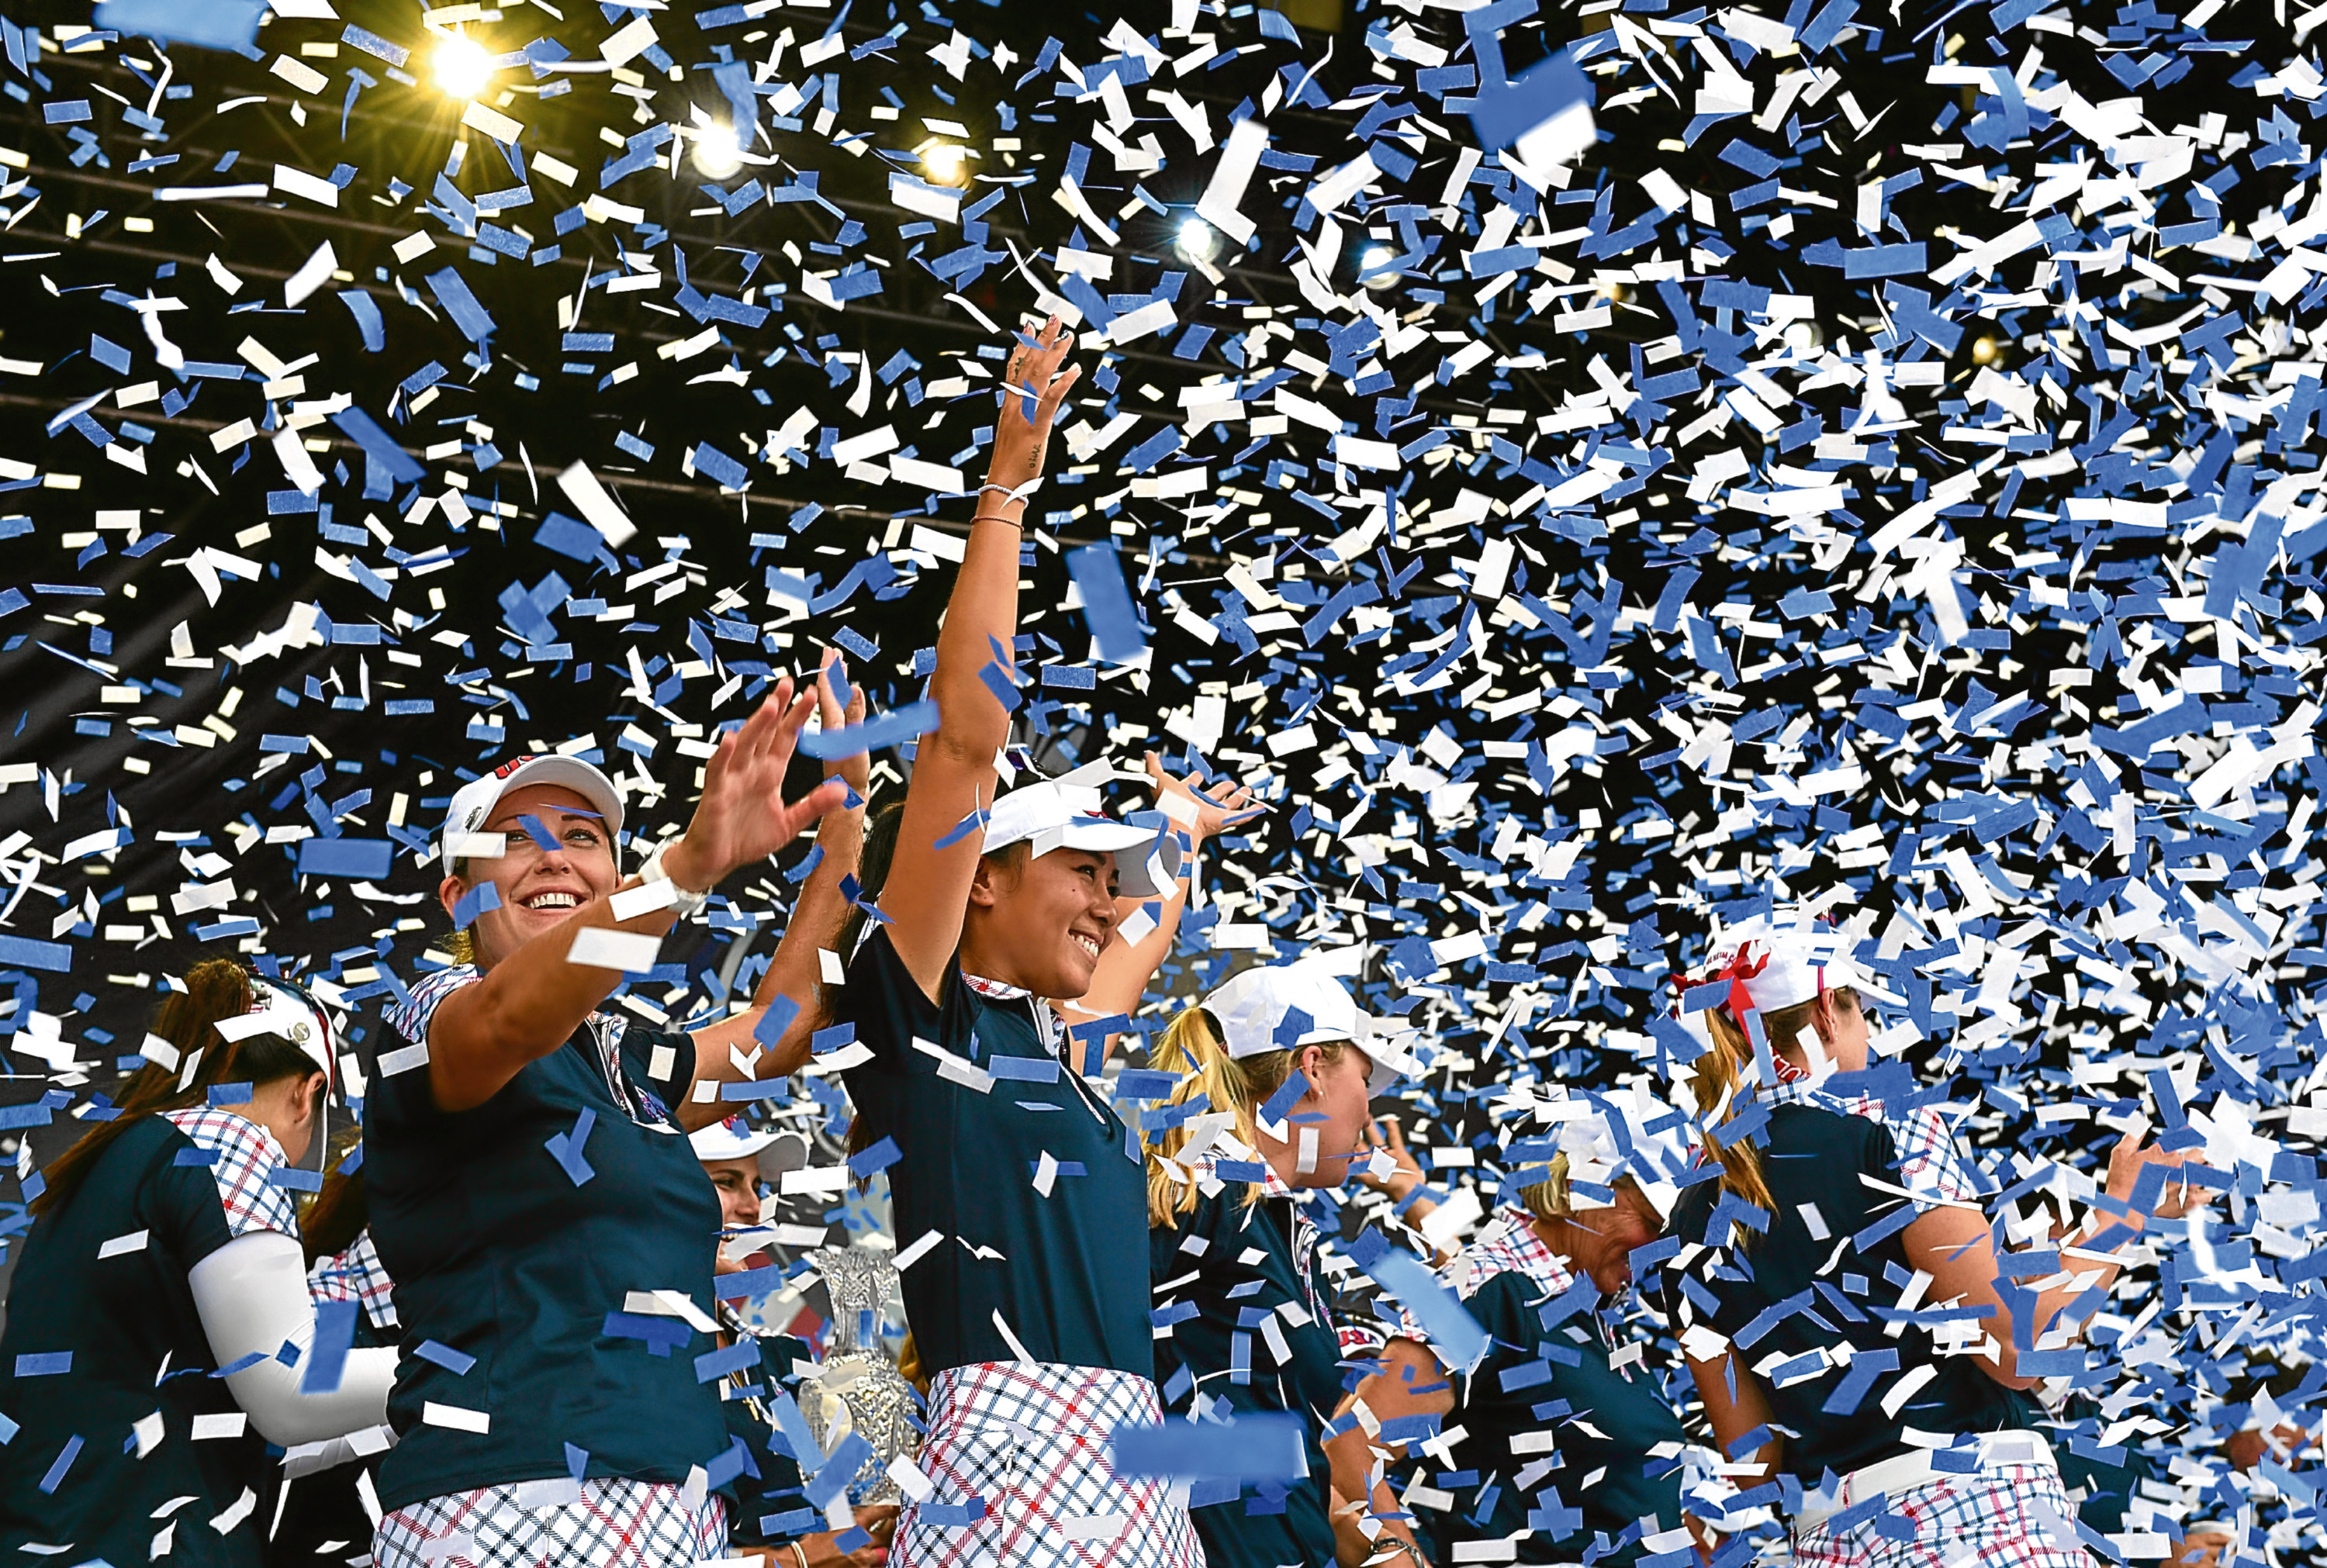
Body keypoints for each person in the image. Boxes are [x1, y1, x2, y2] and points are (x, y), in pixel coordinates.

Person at [828, 316, 1252, 1568]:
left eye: (1119, 884)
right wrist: (1008, 488)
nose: (1113, 904)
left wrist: (1171, 839)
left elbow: (1140, 925)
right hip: (1010, 1500)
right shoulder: (924, 1013)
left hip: (1134, 1493)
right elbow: (964, 739)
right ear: (986, 880)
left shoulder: (1058, 1048)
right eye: (1084, 871)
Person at [365, 655, 862, 1567]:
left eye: (585, 837)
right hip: (505, 1500)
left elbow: (773, 1034)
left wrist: (841, 843)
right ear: (455, 894)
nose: (555, 855)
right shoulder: (431, 1008)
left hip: (676, 1501)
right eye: (515, 840)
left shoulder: (625, 1052)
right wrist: (683, 871)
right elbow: (511, 1016)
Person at [1657, 909, 2208, 1568]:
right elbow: (2023, 1350)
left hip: (1829, 1549)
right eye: (1864, 1014)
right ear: (1831, 1014)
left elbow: (1755, 1464)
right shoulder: (1888, 1128)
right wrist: (2124, 1212)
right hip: (1978, 1530)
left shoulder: (1686, 1220)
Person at [0, 960, 396, 1566]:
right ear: (307, 1092)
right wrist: (486, 1368)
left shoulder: (108, 1165)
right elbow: (290, 1387)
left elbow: (237, 1418)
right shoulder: (227, 1139)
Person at [1336, 1087, 1700, 1568]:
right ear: (1587, 1185)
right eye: (1654, 1225)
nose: (1661, 1252)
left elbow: (1474, 1261)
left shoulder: (1579, 1302)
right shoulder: (1498, 1292)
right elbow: (1349, 1443)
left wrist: (1413, 1193)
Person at [1141, 960, 1426, 1568]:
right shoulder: (1201, 1195)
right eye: (1366, 1080)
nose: (1369, 1116)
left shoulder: (1261, 1213)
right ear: (1313, 1069)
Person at [691, 1115, 895, 1568]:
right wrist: (793, 1561)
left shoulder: (780, 1358)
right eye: (726, 1182)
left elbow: (822, 1505)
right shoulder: (625, 1358)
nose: (751, 1207)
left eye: (758, 1187)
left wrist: (870, 1525)